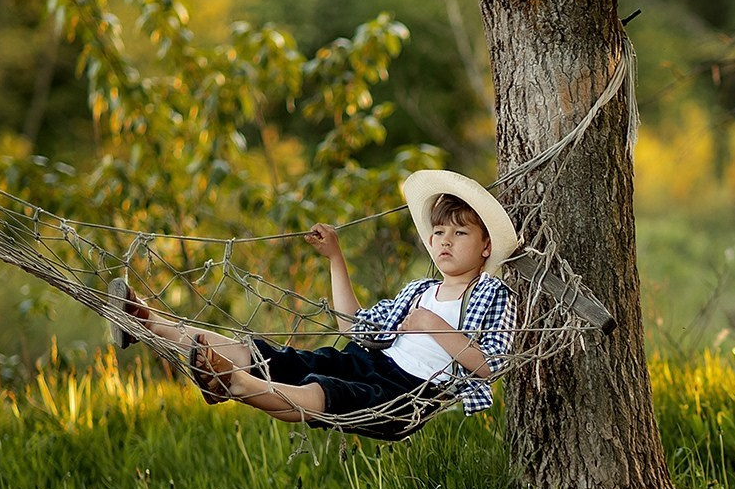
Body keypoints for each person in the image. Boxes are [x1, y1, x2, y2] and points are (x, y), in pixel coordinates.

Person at [114, 170, 517, 436]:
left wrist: (433, 326)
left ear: (486, 247)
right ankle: (147, 322)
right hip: (368, 363)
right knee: (277, 357)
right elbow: (353, 326)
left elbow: (493, 365)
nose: (445, 241)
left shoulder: (490, 294)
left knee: (326, 393)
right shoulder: (418, 291)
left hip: (407, 394)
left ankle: (234, 383)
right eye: (439, 232)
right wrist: (336, 258)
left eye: (460, 234)